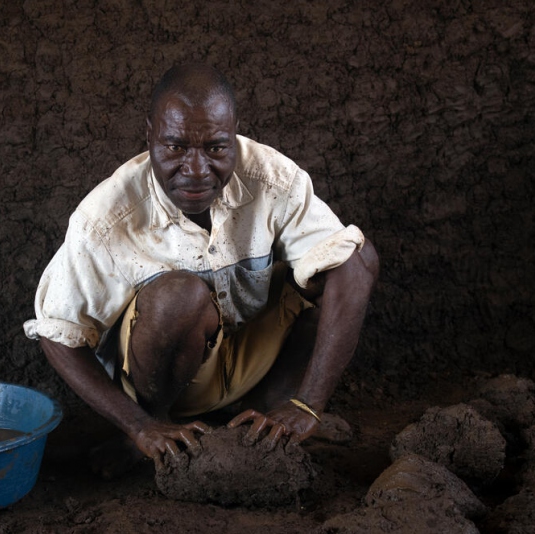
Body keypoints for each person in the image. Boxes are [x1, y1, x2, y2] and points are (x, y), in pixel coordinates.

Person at [24, 63, 378, 477]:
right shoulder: (106, 217)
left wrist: (311, 404)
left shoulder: (272, 178)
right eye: (175, 147)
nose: (195, 170)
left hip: (251, 357)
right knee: (180, 297)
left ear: (235, 134)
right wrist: (138, 424)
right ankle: (152, 435)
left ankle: (279, 411)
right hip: (161, 386)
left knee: (351, 258)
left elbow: (352, 270)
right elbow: (56, 334)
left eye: (215, 148)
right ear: (150, 135)